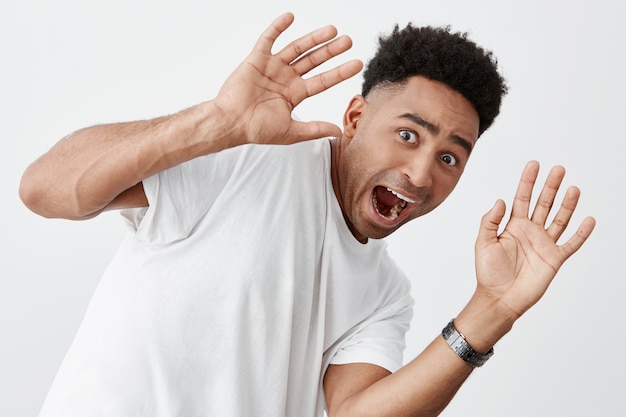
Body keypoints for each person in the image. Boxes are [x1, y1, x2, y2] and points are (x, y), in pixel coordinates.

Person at [19, 12, 595, 417]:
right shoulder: (247, 158)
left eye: (448, 156)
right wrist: (212, 124)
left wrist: (492, 310)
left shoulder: (385, 294)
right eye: (406, 134)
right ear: (353, 117)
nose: (421, 175)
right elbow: (43, 189)